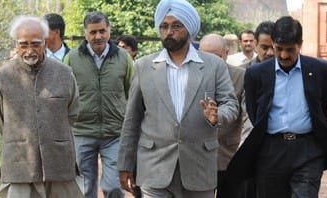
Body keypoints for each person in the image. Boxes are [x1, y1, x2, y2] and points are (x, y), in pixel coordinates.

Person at [117, 0, 239, 197]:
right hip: (154, 167)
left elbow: (231, 104)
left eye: (176, 26)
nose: (169, 32)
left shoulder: (213, 65)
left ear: (189, 29)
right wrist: (124, 164)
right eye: (164, 26)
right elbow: (132, 119)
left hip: (199, 166)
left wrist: (217, 116)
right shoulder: (144, 66)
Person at [226, 16, 327, 198]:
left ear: (300, 44)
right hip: (270, 151)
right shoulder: (256, 73)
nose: (284, 55)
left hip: (308, 151)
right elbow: (255, 113)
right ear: (273, 44)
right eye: (279, 49)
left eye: (290, 50)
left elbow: (323, 106)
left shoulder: (320, 70)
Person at [0, 15, 83, 198]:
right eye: (23, 44)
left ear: (45, 42)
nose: (29, 50)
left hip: (59, 164)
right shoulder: (3, 76)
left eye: (35, 43)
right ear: (15, 44)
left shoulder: (64, 73)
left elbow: (72, 113)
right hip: (20, 165)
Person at [64, 11, 134, 198]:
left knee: (114, 187)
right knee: (84, 188)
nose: (98, 36)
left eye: (102, 31)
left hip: (115, 133)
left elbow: (132, 93)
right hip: (81, 132)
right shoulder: (72, 58)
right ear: (85, 33)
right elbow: (65, 95)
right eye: (93, 32)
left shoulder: (123, 58)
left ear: (109, 31)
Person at [198, 33, 247, 198]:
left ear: (226, 53)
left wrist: (244, 147)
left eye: (217, 57)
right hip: (198, 157)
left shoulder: (241, 76)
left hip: (229, 154)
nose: (212, 62)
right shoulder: (190, 75)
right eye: (206, 56)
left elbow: (247, 117)